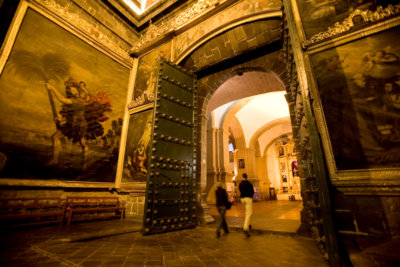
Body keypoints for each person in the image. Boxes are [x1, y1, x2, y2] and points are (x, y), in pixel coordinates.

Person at [239, 173, 254, 238]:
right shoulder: (249, 183)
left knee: (247, 211)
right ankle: (245, 227)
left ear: (242, 177)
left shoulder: (240, 184)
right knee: (249, 213)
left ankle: (249, 224)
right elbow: (252, 192)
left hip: (242, 199)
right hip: (248, 198)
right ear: (246, 177)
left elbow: (240, 190)